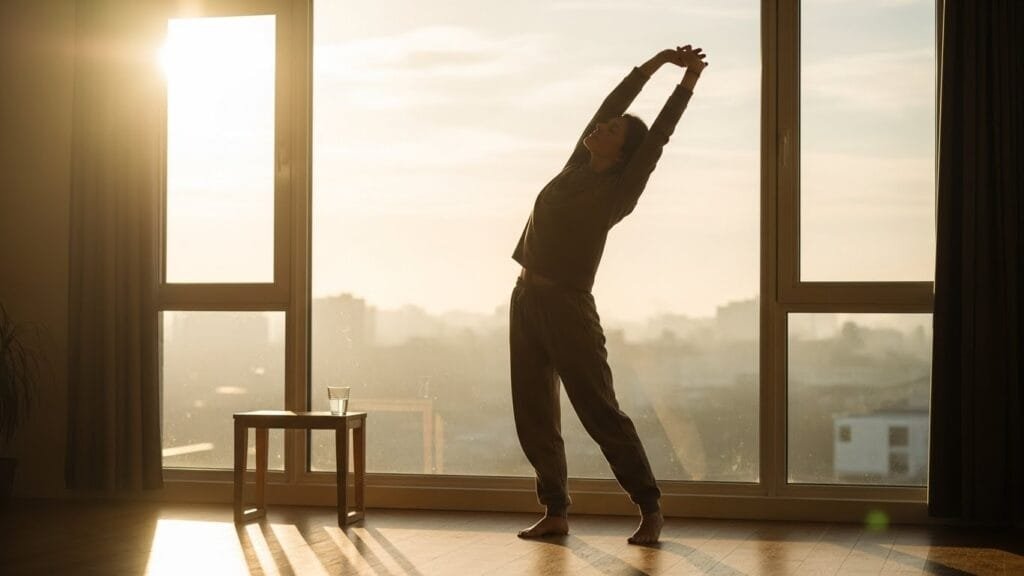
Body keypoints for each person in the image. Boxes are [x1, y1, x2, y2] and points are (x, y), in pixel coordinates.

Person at [509, 45, 707, 545]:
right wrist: (657, 62)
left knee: (598, 411)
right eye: (603, 125)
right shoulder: (576, 165)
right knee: (532, 410)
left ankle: (649, 506)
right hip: (525, 299)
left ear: (622, 154)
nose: (600, 128)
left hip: (569, 307)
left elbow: (658, 136)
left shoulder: (619, 189)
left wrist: (686, 82)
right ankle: (555, 510)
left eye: (612, 130)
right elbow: (611, 102)